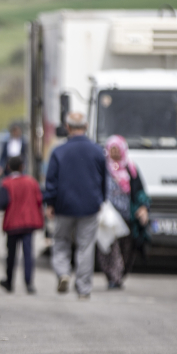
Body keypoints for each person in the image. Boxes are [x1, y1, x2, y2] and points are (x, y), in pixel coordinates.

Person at [43, 112, 106, 300]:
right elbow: (104, 180)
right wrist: (101, 200)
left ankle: (63, 273)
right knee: (85, 247)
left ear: (67, 127)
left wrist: (50, 203)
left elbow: (51, 181)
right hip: (90, 206)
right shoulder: (97, 151)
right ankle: (84, 289)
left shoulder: (59, 152)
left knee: (61, 241)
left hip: (64, 205)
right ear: (86, 126)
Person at [97, 135, 151, 289]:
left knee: (127, 248)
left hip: (127, 216)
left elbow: (140, 191)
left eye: (117, 149)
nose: (114, 152)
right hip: (108, 217)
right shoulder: (103, 168)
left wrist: (143, 207)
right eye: (111, 149)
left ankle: (120, 274)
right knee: (109, 247)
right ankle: (113, 277)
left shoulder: (130, 168)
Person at [0, 156, 43, 294]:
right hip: (29, 222)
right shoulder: (32, 182)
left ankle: (9, 281)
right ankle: (29, 283)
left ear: (9, 167)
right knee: (28, 253)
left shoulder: (6, 183)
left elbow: (1, 204)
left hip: (13, 223)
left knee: (11, 254)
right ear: (22, 167)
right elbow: (39, 200)